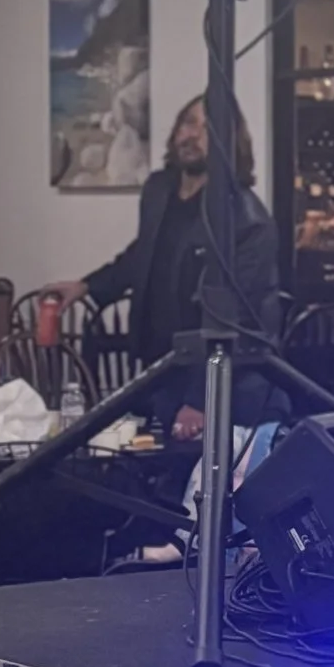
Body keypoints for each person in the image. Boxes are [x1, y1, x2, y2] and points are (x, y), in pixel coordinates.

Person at [47, 94, 282, 443]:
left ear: (229, 141)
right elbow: (144, 253)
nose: (193, 135)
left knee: (190, 490)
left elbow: (236, 321)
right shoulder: (159, 189)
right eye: (188, 122)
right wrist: (87, 286)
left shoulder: (246, 220)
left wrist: (200, 400)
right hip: (157, 368)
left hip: (218, 386)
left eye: (208, 127)